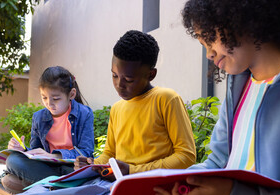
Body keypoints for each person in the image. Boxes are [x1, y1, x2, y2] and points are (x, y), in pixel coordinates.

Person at [73, 1, 280, 195]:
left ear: (244, 17)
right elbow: (217, 162)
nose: (209, 54)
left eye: (210, 38)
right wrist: (175, 183)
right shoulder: (240, 84)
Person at [74, 30, 196, 176]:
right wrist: (91, 165)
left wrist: (132, 171)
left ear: (151, 74)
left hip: (154, 187)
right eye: (114, 75)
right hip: (118, 185)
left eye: (129, 80)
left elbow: (186, 156)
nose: (119, 84)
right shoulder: (117, 109)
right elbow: (110, 154)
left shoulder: (166, 99)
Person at [2, 66, 94, 194]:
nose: (49, 104)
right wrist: (22, 149)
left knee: (11, 181)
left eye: (55, 99)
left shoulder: (85, 114)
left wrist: (54, 155)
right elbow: (36, 152)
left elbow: (86, 152)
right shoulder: (39, 117)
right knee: (13, 160)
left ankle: (48, 186)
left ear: (71, 94)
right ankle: (60, 187)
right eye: (44, 97)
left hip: (72, 168)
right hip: (48, 168)